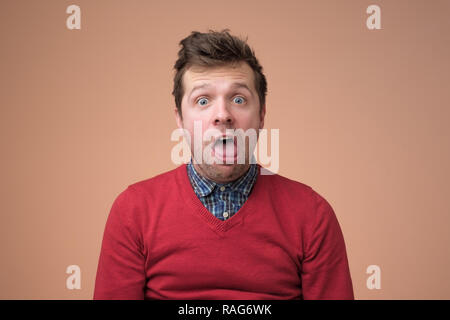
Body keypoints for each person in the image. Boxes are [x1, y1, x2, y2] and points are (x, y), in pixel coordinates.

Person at [93, 29, 354, 300]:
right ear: (180, 120)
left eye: (238, 99)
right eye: (203, 100)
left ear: (261, 115)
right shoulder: (133, 211)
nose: (223, 115)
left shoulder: (312, 215)